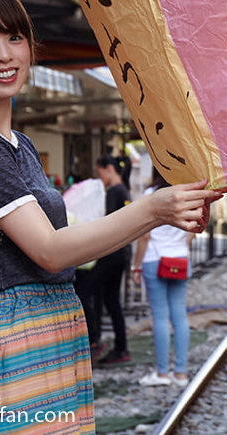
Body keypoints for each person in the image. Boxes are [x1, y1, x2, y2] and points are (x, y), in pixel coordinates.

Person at [0, 0, 219, 433]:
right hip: (10, 340)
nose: (5, 54)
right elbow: (49, 250)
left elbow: (67, 246)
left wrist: (170, 208)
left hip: (47, 328)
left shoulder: (19, 145)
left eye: (14, 37)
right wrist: (153, 210)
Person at [133, 169, 193, 388]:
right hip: (179, 259)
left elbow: (145, 235)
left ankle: (162, 373)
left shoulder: (151, 195)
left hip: (154, 259)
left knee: (160, 316)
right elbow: (193, 230)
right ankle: (181, 373)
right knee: (180, 315)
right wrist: (180, 248)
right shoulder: (186, 194)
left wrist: (136, 266)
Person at [88, 155, 132, 365]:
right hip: (121, 254)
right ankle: (121, 347)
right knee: (112, 302)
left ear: (108, 169)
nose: (100, 178)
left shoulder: (114, 192)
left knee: (83, 292)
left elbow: (109, 224)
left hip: (111, 254)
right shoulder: (124, 189)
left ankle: (94, 341)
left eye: (99, 173)